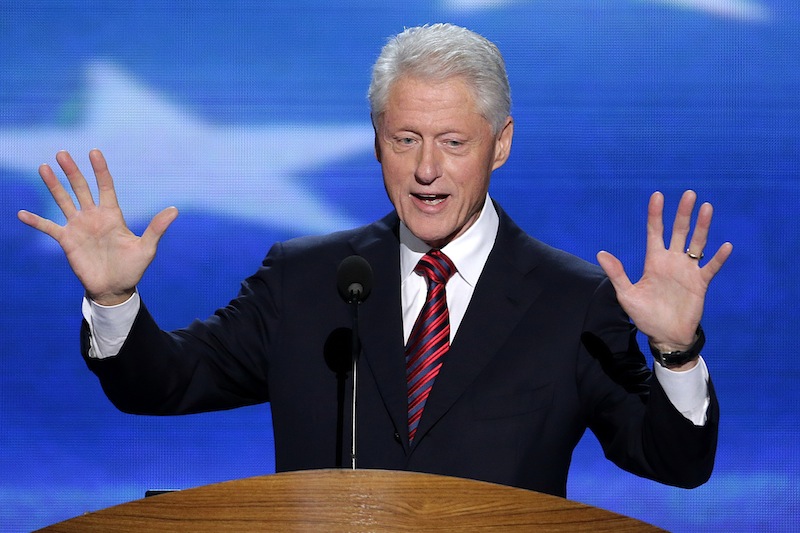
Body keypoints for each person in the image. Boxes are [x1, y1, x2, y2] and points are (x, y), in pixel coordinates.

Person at [18, 23, 732, 498]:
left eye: (453, 142)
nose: (426, 169)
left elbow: (673, 462)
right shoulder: (304, 280)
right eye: (405, 139)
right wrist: (114, 302)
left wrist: (676, 352)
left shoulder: (571, 301)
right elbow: (164, 384)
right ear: (375, 140)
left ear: (501, 143)